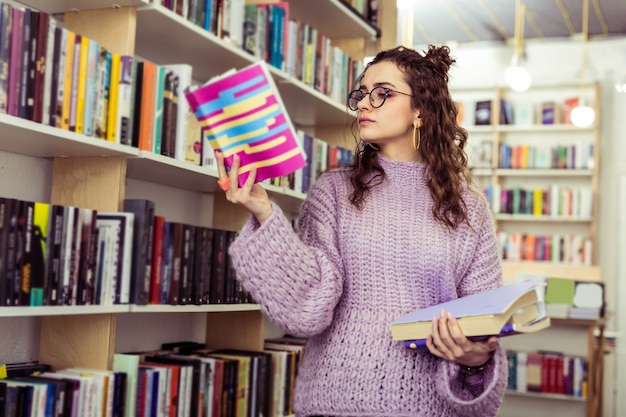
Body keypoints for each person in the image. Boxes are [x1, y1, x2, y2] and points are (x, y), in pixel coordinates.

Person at [215, 45, 507, 417]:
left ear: (421, 110)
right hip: (332, 403)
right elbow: (308, 308)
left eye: (382, 93)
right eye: (361, 93)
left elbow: (485, 324)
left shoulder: (468, 207)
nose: (364, 104)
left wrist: (476, 357)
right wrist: (262, 208)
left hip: (430, 409)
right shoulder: (335, 191)